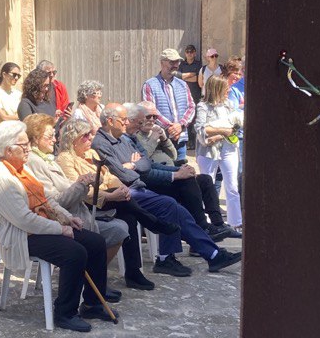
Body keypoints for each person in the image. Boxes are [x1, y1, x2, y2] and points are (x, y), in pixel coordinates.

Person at [0, 121, 112, 333]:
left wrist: (67, 218)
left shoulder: (19, 168)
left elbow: (46, 198)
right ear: (8, 150)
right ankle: (65, 313)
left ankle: (93, 303)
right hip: (23, 235)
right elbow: (23, 219)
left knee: (95, 242)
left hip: (41, 225)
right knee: (74, 252)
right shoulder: (0, 176)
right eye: (23, 145)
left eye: (27, 143)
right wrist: (60, 229)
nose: (28, 148)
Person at [94, 103, 240, 276]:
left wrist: (133, 165)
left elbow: (146, 163)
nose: (127, 123)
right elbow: (122, 174)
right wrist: (136, 167)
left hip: (138, 187)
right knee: (170, 204)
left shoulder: (123, 138)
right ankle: (170, 258)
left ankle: (211, 255)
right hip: (123, 192)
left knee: (179, 207)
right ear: (110, 121)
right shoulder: (101, 143)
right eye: (124, 119)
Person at [55, 117, 155, 290]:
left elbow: (109, 176)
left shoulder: (91, 154)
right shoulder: (65, 159)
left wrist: (121, 188)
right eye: (85, 136)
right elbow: (79, 191)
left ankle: (133, 272)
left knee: (130, 218)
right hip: (85, 205)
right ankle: (152, 222)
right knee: (126, 211)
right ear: (73, 138)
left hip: (105, 200)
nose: (90, 139)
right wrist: (110, 196)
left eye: (90, 134)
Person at [25, 114, 129, 269]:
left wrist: (89, 181)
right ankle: (93, 281)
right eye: (50, 136)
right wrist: (83, 184)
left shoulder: (46, 159)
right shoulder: (37, 162)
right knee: (118, 228)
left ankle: (101, 279)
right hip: (67, 219)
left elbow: (108, 176)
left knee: (128, 216)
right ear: (35, 138)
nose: (54, 140)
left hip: (78, 214)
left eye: (54, 135)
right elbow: (54, 201)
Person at [126, 102, 233, 239]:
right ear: (135, 119)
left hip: (168, 171)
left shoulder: (153, 132)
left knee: (204, 179)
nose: (152, 120)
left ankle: (218, 224)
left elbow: (173, 155)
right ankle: (202, 228)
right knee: (187, 181)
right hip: (155, 182)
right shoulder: (135, 136)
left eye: (155, 116)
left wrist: (164, 139)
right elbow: (146, 164)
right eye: (148, 117)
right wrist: (176, 173)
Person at [194, 75, 243, 231]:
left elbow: (236, 125)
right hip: (208, 150)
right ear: (217, 89)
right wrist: (223, 131)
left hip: (229, 148)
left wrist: (221, 133)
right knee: (208, 183)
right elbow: (201, 129)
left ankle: (236, 222)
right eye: (225, 88)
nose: (228, 90)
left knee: (232, 186)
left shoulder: (229, 105)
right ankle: (207, 222)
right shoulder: (203, 106)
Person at [143, 48, 195, 161]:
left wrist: (180, 125)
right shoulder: (150, 85)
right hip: (160, 140)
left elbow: (191, 107)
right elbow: (150, 111)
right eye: (172, 62)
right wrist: (171, 128)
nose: (175, 65)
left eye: (177, 62)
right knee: (165, 174)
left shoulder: (182, 84)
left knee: (182, 174)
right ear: (162, 62)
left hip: (180, 139)